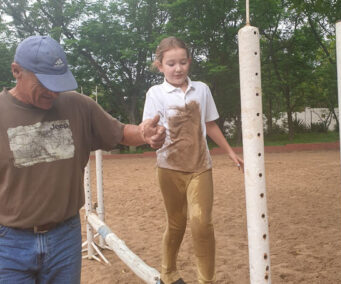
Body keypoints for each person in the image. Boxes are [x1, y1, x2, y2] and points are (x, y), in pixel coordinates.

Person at [0, 35, 165, 283]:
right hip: (10, 243)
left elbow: (119, 132)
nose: (53, 91)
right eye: (44, 82)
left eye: (58, 83)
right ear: (16, 71)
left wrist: (143, 133)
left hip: (64, 238)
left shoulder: (78, 106)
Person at [142, 36, 244, 284]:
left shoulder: (202, 90)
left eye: (183, 62)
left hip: (200, 167)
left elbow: (210, 125)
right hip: (169, 168)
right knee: (176, 224)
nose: (178, 68)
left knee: (201, 224)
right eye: (171, 63)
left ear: (189, 62)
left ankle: (206, 280)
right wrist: (154, 135)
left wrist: (231, 153)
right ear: (160, 66)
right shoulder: (156, 93)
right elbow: (148, 128)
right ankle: (168, 273)